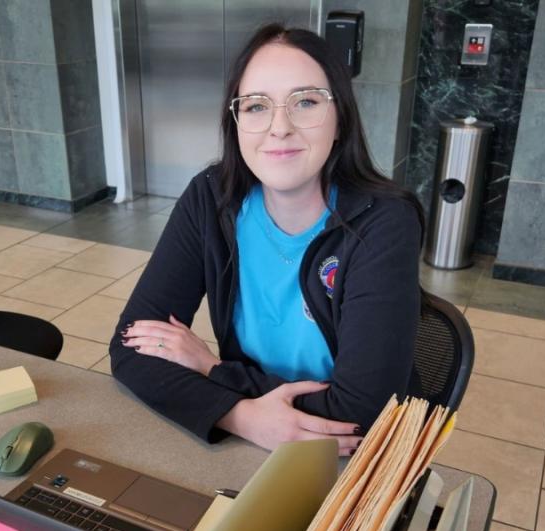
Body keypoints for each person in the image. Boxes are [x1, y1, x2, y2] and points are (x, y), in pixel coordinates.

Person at [109, 23, 424, 456]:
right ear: (236, 124)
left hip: (352, 457)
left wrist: (214, 370)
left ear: (339, 121)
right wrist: (244, 416)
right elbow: (132, 349)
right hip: (250, 442)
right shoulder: (212, 198)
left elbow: (359, 414)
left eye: (306, 102)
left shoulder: (384, 222)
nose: (279, 127)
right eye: (256, 106)